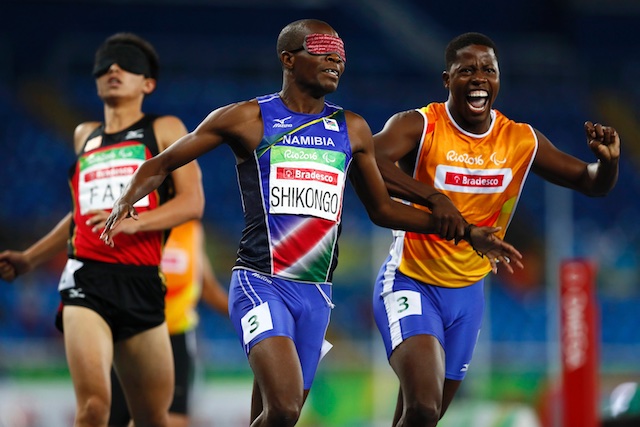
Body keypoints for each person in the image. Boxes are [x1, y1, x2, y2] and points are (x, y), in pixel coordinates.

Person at [99, 20, 523, 427]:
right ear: (288, 58)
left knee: (280, 414)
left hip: (316, 294)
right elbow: (162, 162)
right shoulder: (248, 118)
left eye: (341, 53)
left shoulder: (351, 128)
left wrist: (465, 230)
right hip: (260, 281)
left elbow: (383, 211)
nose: (336, 60)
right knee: (282, 408)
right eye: (322, 50)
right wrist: (127, 199)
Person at [371, 31, 620, 427]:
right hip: (410, 282)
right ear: (446, 79)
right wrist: (433, 198)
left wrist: (606, 163)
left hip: (469, 296)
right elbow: (367, 158)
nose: (479, 78)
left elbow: (590, 182)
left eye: (489, 69)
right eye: (466, 70)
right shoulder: (419, 125)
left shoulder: (519, 140)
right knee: (423, 404)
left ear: (499, 79)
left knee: (423, 416)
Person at [0, 32, 204, 427]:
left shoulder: (164, 129)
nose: (113, 68)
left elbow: (192, 202)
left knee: (153, 419)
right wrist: (29, 258)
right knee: (94, 409)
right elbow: (79, 215)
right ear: (95, 79)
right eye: (106, 63)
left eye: (126, 63)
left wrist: (136, 222)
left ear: (148, 83)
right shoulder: (84, 136)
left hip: (142, 282)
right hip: (85, 277)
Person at [109, 219, 229, 427]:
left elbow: (207, 287)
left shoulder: (192, 230)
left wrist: (246, 314)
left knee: (173, 419)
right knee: (117, 417)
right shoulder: (139, 221)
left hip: (176, 335)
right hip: (132, 334)